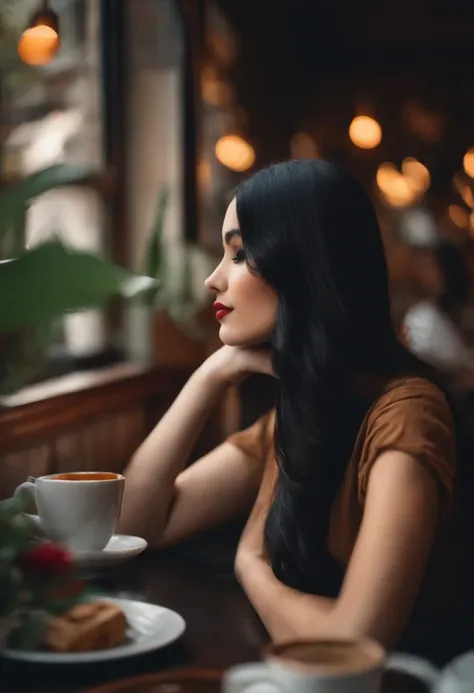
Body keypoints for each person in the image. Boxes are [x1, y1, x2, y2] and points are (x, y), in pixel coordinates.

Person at [120, 160, 472, 665]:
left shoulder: (407, 414)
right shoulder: (303, 414)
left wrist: (251, 564)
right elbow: (138, 526)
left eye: (239, 254)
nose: (211, 280)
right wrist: (211, 376)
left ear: (304, 264)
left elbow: (354, 646)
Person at [404, 241, 474, 374]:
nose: (427, 275)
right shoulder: (420, 319)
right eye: (427, 268)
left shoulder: (466, 311)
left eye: (433, 267)